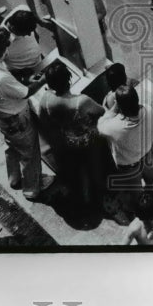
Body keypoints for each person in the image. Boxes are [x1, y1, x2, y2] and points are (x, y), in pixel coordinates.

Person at [0, 27, 52, 201]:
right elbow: (25, 93)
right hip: (17, 119)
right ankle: (32, 188)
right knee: (30, 154)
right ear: (0, 50)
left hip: (1, 117)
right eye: (6, 46)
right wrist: (44, 78)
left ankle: (14, 178)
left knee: (12, 147)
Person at [36, 63, 110, 207]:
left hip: (65, 141)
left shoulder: (45, 98)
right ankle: (100, 192)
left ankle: (85, 194)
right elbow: (101, 112)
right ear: (68, 80)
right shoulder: (81, 101)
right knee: (95, 164)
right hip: (86, 142)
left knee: (81, 168)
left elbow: (43, 119)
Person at [97, 85, 153, 192]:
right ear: (137, 99)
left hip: (129, 163)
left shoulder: (115, 127)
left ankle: (142, 199)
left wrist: (113, 109)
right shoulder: (148, 109)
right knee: (149, 171)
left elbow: (100, 126)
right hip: (147, 150)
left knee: (135, 187)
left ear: (120, 106)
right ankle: (150, 188)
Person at [2, 7, 45, 84]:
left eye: (30, 31)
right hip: (23, 74)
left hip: (40, 62)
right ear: (13, 28)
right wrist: (24, 79)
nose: (29, 34)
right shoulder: (1, 42)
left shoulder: (23, 9)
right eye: (25, 33)